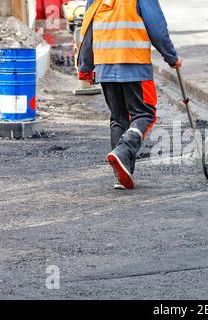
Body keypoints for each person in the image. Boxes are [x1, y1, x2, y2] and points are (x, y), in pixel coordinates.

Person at [77, 0, 182, 190]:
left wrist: (85, 65)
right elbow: (157, 28)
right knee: (145, 114)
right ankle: (124, 150)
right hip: (134, 63)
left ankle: (121, 176)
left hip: (105, 65)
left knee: (118, 118)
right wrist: (171, 56)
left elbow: (87, 28)